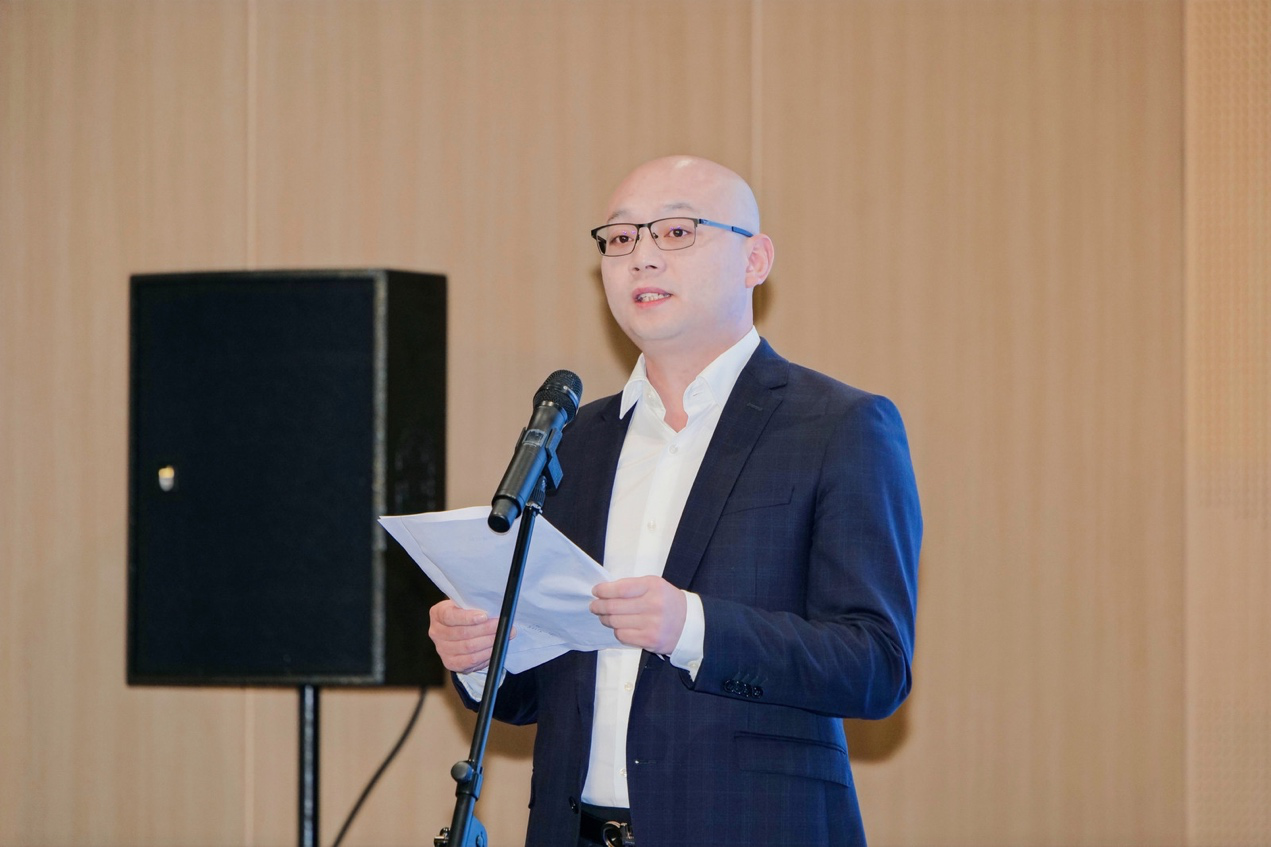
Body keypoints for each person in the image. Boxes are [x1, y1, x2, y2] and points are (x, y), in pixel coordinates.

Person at [429, 155, 921, 847]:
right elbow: (534, 697)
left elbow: (874, 664)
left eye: (677, 232)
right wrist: (483, 656)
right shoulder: (574, 438)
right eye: (621, 237)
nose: (643, 257)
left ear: (755, 260)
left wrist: (690, 626)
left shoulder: (839, 427)